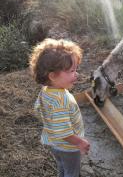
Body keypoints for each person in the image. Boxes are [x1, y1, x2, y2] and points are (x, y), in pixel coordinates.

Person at [29, 38, 90, 177]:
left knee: (62, 167)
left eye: (76, 70)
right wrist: (80, 142)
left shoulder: (46, 90)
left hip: (55, 144)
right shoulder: (60, 100)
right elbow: (64, 132)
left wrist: (51, 124)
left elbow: (37, 109)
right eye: (72, 71)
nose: (77, 74)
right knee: (72, 172)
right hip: (69, 148)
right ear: (53, 76)